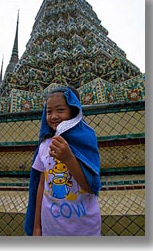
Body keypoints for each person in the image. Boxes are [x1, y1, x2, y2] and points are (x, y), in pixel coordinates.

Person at [24, 86, 101, 236]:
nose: (53, 116)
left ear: (73, 111)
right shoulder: (45, 145)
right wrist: (36, 227)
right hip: (50, 227)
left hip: (84, 228)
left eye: (60, 110)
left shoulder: (86, 140)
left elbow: (91, 186)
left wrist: (68, 158)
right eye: (49, 111)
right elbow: (40, 185)